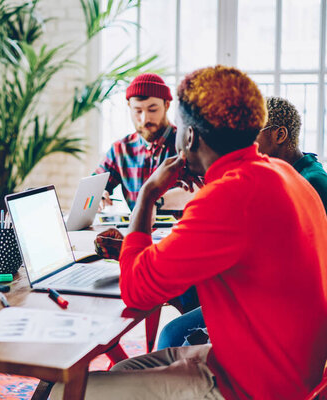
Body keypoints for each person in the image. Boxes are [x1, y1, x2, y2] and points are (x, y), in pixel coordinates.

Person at [52, 65, 327, 399]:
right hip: (285, 366)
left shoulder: (228, 196)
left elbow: (136, 291)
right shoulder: (283, 172)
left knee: (69, 391)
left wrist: (147, 197)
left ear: (191, 137)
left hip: (253, 384)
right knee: (122, 370)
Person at [157, 95, 327, 350]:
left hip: (284, 307)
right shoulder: (287, 173)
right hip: (269, 294)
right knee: (188, 288)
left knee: (172, 333)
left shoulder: (309, 182)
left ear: (279, 134)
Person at [95, 72, 194, 212]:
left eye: (152, 110)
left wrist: (155, 202)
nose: (145, 119)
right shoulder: (120, 149)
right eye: (138, 111)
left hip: (181, 230)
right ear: (129, 106)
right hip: (137, 231)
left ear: (167, 105)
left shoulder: (188, 144)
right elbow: (94, 188)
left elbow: (201, 190)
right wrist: (99, 195)